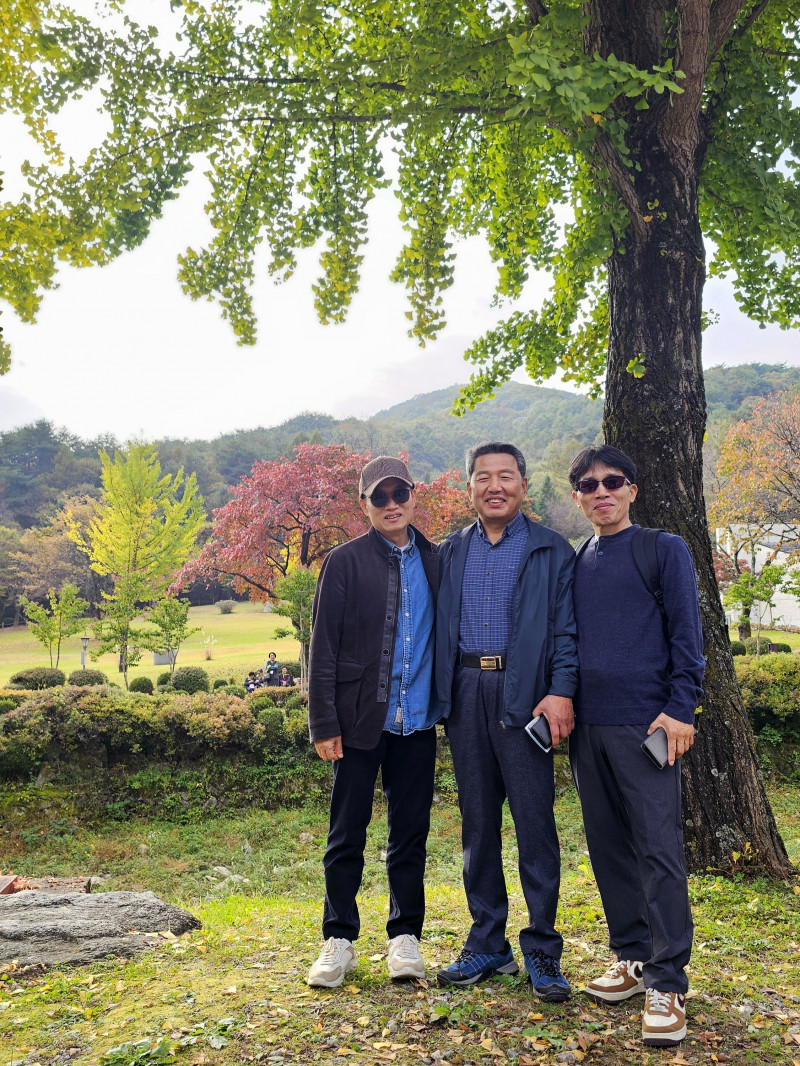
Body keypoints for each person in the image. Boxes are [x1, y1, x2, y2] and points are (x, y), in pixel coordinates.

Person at [567, 445, 705, 1048]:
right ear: (578, 496)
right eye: (588, 484)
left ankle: (668, 981)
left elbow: (688, 635)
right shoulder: (578, 559)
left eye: (612, 481)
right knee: (608, 848)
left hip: (648, 726)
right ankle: (631, 955)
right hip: (588, 727)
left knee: (658, 850)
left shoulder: (662, 549)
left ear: (631, 489)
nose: (601, 491)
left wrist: (681, 708)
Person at [435, 441, 577, 1001]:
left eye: (506, 476)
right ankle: (487, 941)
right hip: (466, 689)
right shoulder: (451, 550)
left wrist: (561, 691)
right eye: (483, 477)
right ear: (469, 486)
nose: (494, 486)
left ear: (523, 484)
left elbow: (567, 630)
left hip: (528, 696)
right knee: (477, 824)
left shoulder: (551, 549)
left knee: (534, 823)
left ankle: (542, 947)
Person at [306, 456, 440, 988]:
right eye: (378, 497)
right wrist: (323, 723)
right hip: (360, 721)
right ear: (364, 504)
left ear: (413, 495)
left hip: (419, 720)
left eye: (399, 493)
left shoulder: (436, 558)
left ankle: (404, 936)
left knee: (410, 835)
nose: (391, 504)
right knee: (346, 833)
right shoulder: (344, 562)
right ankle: (338, 939)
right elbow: (323, 648)